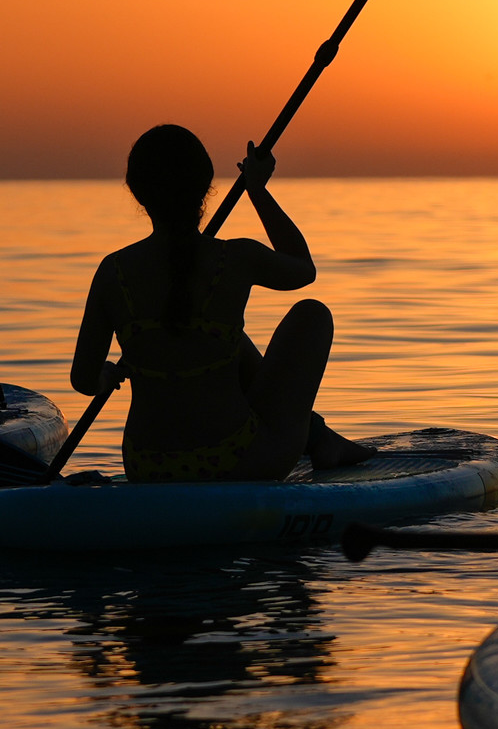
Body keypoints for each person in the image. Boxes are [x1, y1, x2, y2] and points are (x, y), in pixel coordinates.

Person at [69, 125, 365, 482]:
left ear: (137, 193)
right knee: (311, 314)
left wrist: (104, 376)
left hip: (148, 466)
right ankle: (319, 438)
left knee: (221, 338)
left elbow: (83, 380)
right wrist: (257, 190)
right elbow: (303, 269)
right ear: (206, 188)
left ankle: (320, 437)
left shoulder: (113, 271)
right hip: (236, 459)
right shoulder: (236, 258)